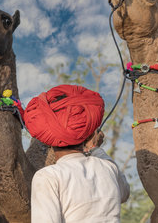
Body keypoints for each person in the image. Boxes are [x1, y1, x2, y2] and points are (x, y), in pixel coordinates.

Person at [24, 84, 130, 223]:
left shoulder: (48, 176)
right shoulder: (108, 168)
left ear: (48, 140)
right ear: (87, 135)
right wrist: (95, 149)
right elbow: (124, 194)